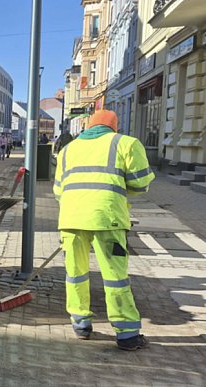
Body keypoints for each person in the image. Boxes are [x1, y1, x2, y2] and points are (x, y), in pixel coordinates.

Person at [53, 109, 155, 351]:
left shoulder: (68, 150)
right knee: (115, 277)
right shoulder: (126, 143)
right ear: (114, 127)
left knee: (75, 274)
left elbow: (58, 190)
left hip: (71, 218)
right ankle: (127, 334)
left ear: (88, 127)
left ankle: (80, 325)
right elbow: (141, 182)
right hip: (107, 218)